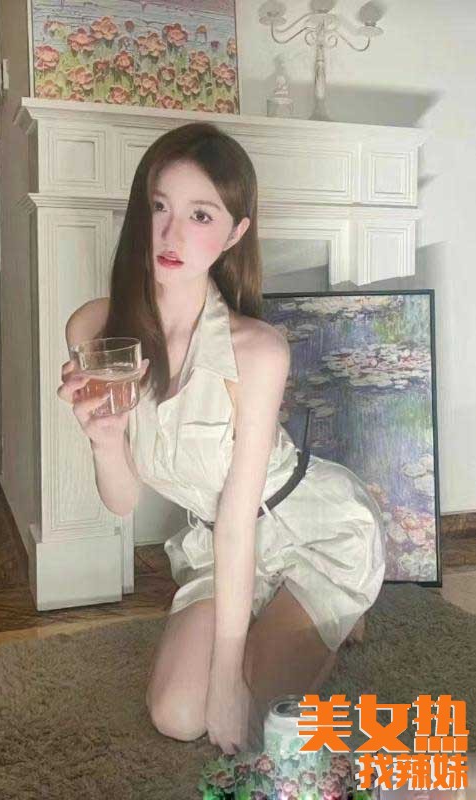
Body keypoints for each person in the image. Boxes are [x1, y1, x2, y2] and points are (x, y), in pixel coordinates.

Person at [57, 121, 386, 757]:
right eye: (159, 207)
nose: (171, 233)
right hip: (218, 545)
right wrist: (104, 439)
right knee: (178, 715)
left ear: (235, 233)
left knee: (247, 716)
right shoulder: (95, 331)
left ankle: (337, 609)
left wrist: (230, 680)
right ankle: (287, 623)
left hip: (307, 530)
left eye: (200, 215)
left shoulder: (257, 351)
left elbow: (240, 516)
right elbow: (123, 502)